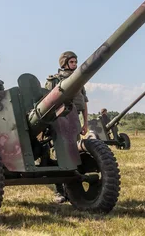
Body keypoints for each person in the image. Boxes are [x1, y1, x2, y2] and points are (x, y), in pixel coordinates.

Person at [45, 51, 90, 204]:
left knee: (73, 154)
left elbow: (84, 104)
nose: (75, 65)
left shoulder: (79, 81)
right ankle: (59, 192)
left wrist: (85, 123)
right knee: (59, 155)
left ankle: (71, 191)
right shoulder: (54, 80)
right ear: (64, 63)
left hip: (74, 119)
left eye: (76, 62)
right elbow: (44, 103)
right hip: (58, 120)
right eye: (72, 62)